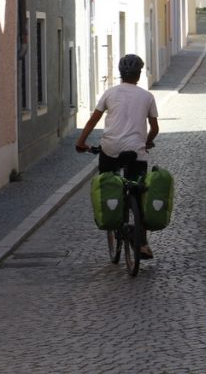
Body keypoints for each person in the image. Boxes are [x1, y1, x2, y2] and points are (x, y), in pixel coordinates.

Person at [75, 53, 160, 259]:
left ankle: (114, 217)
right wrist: (147, 142)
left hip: (110, 150)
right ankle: (143, 244)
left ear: (120, 74)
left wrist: (81, 142)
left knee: (108, 183)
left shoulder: (110, 93)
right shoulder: (147, 96)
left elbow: (92, 121)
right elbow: (155, 128)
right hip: (136, 153)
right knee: (139, 194)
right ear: (139, 74)